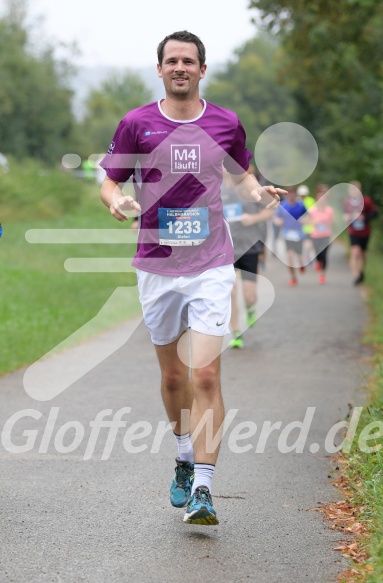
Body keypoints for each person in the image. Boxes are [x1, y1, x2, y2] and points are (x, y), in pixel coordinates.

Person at [99, 31, 284, 526]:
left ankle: (204, 487)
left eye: (189, 60)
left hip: (210, 262)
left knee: (204, 373)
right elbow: (110, 179)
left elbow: (240, 173)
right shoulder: (137, 123)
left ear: (202, 69)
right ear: (159, 69)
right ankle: (183, 456)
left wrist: (257, 189)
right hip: (156, 265)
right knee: (173, 375)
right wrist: (117, 202)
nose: (180, 66)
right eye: (171, 60)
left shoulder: (225, 122)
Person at [221, 167, 273, 349]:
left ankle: (250, 308)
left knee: (249, 295)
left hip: (250, 247)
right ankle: (236, 332)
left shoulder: (248, 186)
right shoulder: (215, 187)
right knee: (231, 292)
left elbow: (270, 210)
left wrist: (253, 218)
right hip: (227, 249)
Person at [343, 181, 377, 285]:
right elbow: (344, 214)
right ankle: (356, 276)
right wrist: (346, 217)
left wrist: (365, 218)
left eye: (356, 189)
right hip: (353, 231)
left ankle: (361, 272)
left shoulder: (366, 201)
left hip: (365, 232)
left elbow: (375, 213)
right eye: (351, 189)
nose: (354, 191)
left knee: (362, 254)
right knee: (355, 252)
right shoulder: (347, 202)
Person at [273, 186, 307, 286]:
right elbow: (275, 217)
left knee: (299, 256)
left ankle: (301, 264)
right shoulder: (283, 206)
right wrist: (278, 221)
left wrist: (304, 220)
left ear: (295, 195)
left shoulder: (301, 205)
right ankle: (293, 277)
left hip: (299, 235)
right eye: (289, 194)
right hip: (287, 234)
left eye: (293, 193)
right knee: (289, 256)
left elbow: (308, 216)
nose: (291, 196)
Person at [309, 184, 334, 284]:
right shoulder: (313, 210)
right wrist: (315, 222)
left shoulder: (329, 210)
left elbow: (333, 222)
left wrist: (328, 222)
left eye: (323, 199)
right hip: (315, 236)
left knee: (324, 255)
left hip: (326, 235)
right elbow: (308, 221)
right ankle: (318, 261)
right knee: (318, 254)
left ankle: (323, 275)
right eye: (320, 199)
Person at [297, 184, 315, 265]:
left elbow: (313, 213)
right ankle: (306, 257)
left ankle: (307, 257)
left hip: (309, 226)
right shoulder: (297, 201)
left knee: (308, 244)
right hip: (300, 226)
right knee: (305, 244)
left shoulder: (311, 201)